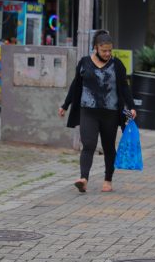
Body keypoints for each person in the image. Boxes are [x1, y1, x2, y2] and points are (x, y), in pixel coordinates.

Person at [58, 30, 136, 193]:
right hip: (88, 111)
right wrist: (65, 105)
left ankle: (108, 180)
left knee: (108, 147)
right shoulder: (84, 63)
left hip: (111, 113)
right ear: (95, 48)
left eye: (110, 50)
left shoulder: (117, 65)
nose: (107, 54)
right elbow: (76, 85)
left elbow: (124, 87)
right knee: (88, 144)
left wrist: (131, 107)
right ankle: (84, 179)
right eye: (104, 50)